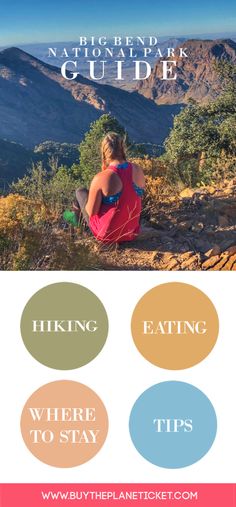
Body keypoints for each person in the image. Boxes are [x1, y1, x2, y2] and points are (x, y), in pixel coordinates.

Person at [75, 132, 145, 243]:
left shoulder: (101, 177)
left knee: (80, 192)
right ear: (122, 148)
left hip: (108, 236)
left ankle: (78, 234)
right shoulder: (138, 169)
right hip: (132, 232)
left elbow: (91, 212)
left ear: (104, 152)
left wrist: (92, 195)